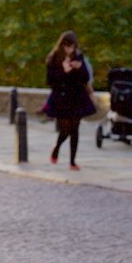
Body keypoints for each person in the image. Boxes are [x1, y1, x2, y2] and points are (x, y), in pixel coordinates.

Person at [44, 31, 94, 171]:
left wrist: (79, 68)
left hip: (76, 96)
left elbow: (85, 78)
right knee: (65, 129)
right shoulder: (53, 58)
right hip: (61, 98)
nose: (69, 50)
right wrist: (63, 71)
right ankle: (57, 148)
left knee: (75, 130)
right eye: (67, 47)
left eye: (72, 47)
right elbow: (50, 81)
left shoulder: (78, 57)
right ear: (62, 45)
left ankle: (72, 161)